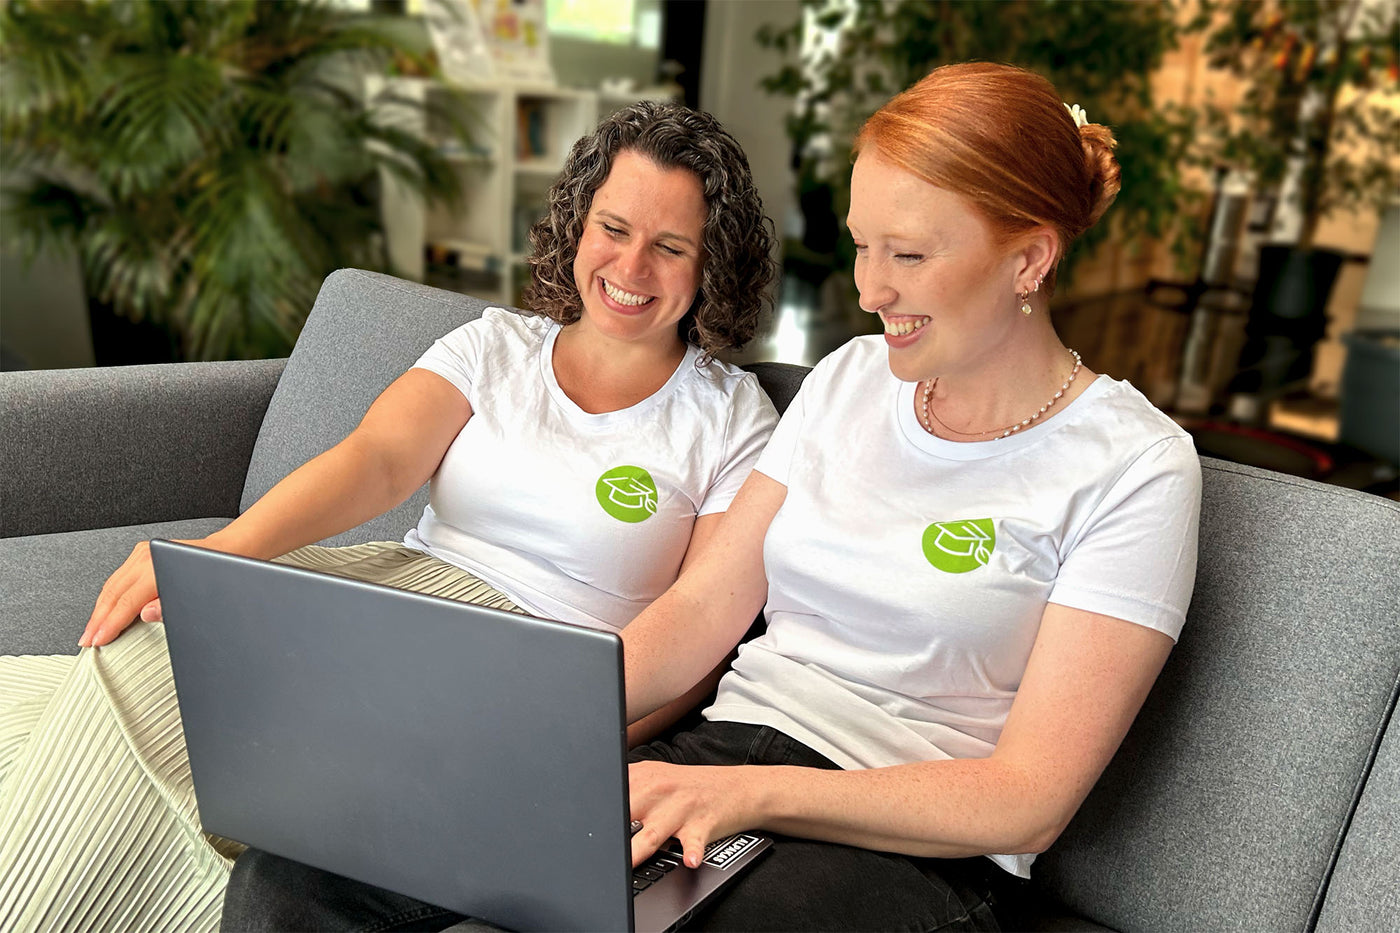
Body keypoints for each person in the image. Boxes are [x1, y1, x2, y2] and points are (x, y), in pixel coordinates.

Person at [225, 62, 1201, 931]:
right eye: (861, 246)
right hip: (723, 753)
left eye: (907, 256)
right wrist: (504, 719)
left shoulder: (1133, 466)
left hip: (909, 847)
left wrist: (751, 797)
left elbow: (1027, 798)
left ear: (1029, 258)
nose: (870, 289)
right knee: (315, 859)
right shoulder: (850, 379)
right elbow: (700, 611)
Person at [0, 101, 779, 933]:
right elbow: (374, 460)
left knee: (270, 793)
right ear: (578, 224)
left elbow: (702, 634)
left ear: (712, 264)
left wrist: (580, 737)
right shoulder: (494, 345)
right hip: (391, 602)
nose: (631, 265)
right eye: (612, 228)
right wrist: (215, 555)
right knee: (152, 639)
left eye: (670, 247)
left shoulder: (734, 420)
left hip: (533, 671)